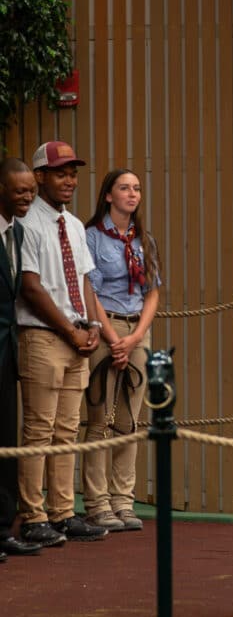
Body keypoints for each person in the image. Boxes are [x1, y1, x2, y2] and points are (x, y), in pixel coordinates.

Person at [17, 141, 107, 546]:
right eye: (60, 172)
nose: (69, 180)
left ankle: (63, 512)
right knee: (39, 430)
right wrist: (70, 331)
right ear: (39, 177)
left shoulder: (72, 224)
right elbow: (31, 288)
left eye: (72, 172)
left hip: (76, 337)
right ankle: (34, 515)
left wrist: (91, 326)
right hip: (42, 335)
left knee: (68, 429)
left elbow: (85, 280)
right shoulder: (27, 223)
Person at [82, 168, 160, 533]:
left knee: (130, 421)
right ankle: (96, 504)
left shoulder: (145, 240)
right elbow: (90, 291)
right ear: (108, 195)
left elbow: (153, 292)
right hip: (105, 327)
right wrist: (114, 339)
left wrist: (136, 337)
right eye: (124, 188)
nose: (132, 194)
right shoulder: (93, 237)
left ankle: (123, 501)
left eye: (137, 189)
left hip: (137, 331)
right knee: (99, 419)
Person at [0, 158, 42, 560]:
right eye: (19, 190)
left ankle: (2, 529)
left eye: (31, 190)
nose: (27, 196)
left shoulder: (19, 231)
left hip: (7, 353)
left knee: (7, 441)